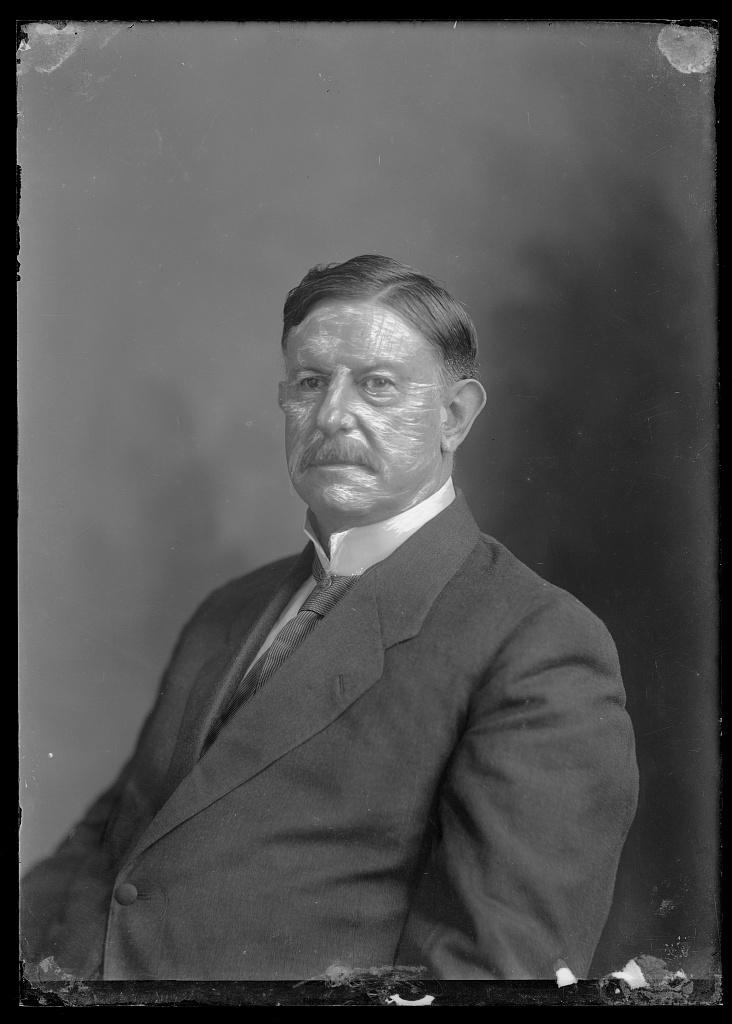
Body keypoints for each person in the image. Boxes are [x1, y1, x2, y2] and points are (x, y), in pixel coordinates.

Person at [21, 254, 638, 982]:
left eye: (377, 385)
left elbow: (492, 973)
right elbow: (114, 841)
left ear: (454, 416)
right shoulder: (230, 611)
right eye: (310, 383)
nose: (334, 413)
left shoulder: (537, 642)